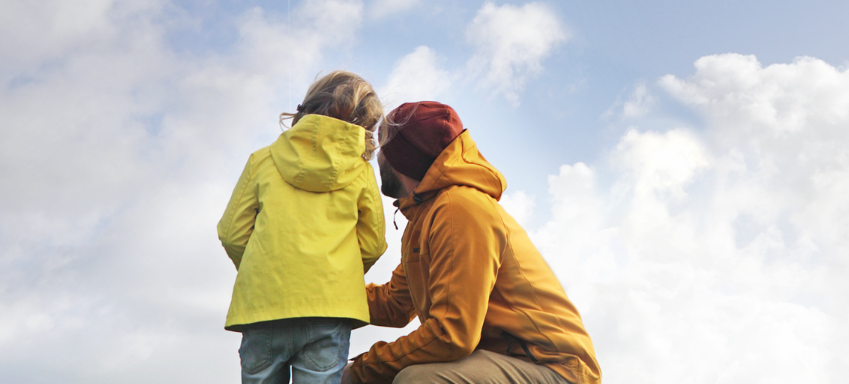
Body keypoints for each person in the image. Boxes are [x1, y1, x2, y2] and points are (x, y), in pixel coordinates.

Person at [343, 101, 599, 384]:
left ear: (401, 157)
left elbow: (452, 334)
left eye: (382, 146)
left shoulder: (459, 208)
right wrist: (325, 295)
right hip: (507, 359)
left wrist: (358, 371)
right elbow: (395, 304)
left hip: (553, 367)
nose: (376, 157)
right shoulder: (424, 218)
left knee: (420, 380)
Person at [219, 70, 389, 384]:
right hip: (330, 307)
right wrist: (336, 273)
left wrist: (265, 268)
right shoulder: (362, 172)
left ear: (306, 108)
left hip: (263, 305)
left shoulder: (262, 161)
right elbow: (373, 244)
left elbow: (231, 234)